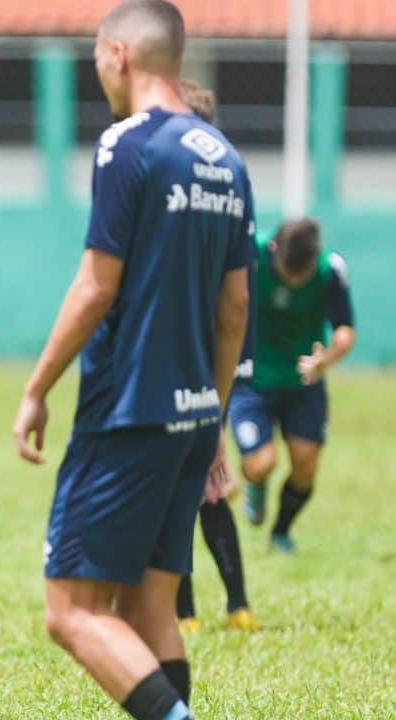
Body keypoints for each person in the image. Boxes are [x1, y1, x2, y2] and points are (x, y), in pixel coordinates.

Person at [11, 3, 252, 719]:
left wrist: (36, 387)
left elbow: (95, 284)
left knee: (73, 613)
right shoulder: (225, 158)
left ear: (118, 54)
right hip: (191, 413)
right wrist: (214, 413)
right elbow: (235, 308)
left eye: (95, 60)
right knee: (149, 607)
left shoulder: (127, 145)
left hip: (129, 408)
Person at [171, 81, 259, 633]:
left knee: (189, 487)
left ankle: (187, 612)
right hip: (216, 363)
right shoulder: (231, 185)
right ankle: (233, 606)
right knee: (203, 485)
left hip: (192, 363)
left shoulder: (193, 195)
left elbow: (234, 300)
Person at [231, 217, 354, 553]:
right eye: (289, 271)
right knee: (262, 463)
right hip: (251, 380)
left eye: (303, 274)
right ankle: (256, 484)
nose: (295, 280)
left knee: (306, 463)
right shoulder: (248, 258)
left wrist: (326, 359)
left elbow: (345, 329)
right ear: (275, 251)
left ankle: (281, 532)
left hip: (304, 380)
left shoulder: (331, 270)